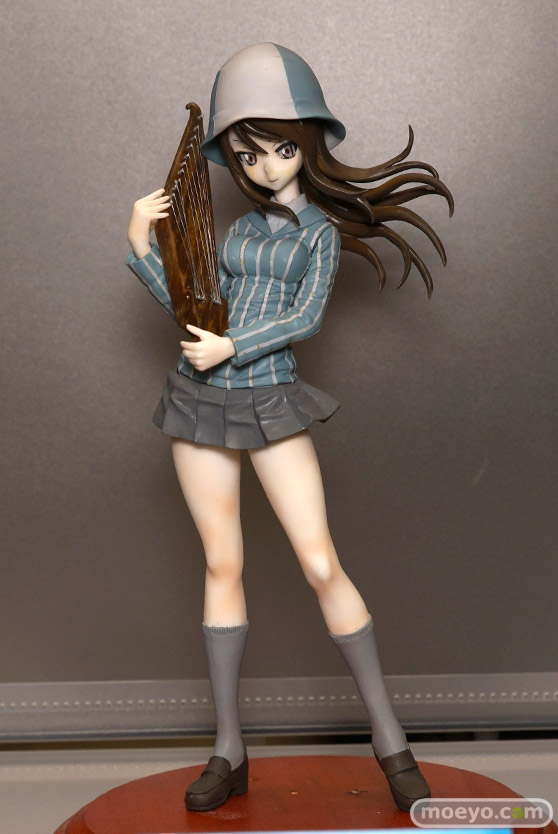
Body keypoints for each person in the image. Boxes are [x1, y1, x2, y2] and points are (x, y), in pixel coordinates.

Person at [127, 42, 452, 813]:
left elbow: (304, 319)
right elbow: (197, 308)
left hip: (270, 398)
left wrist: (233, 346)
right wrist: (141, 247)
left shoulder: (318, 234)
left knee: (319, 563)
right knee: (222, 565)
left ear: (307, 143)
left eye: (280, 148)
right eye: (248, 153)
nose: (266, 166)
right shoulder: (239, 229)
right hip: (199, 398)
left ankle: (391, 744)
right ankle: (228, 750)